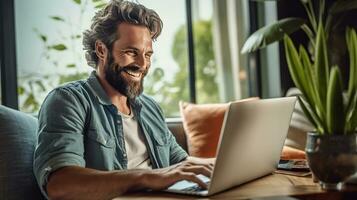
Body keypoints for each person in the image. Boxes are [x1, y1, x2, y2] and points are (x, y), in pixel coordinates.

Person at [33, 1, 214, 199]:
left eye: (147, 54)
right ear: (102, 50)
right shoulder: (68, 101)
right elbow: (60, 185)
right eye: (131, 52)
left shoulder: (150, 108)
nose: (143, 64)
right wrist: (145, 177)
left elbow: (183, 165)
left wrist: (219, 166)